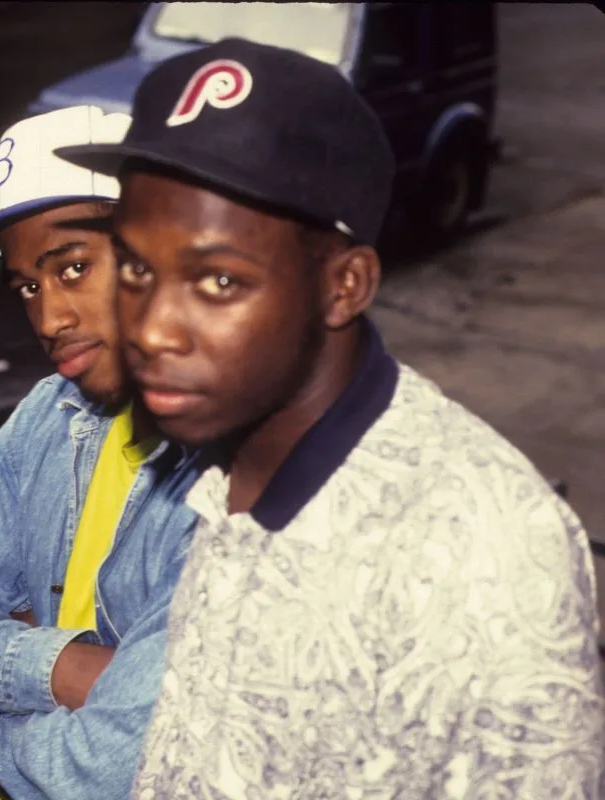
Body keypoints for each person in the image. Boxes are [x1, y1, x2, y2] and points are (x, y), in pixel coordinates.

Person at [55, 38, 605, 797]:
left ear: (344, 286)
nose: (151, 328)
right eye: (138, 268)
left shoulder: (481, 550)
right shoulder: (225, 449)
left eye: (217, 280)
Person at [0, 105, 204, 799]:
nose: (48, 319)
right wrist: (62, 667)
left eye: (73, 268)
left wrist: (3, 706)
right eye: (27, 286)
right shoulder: (52, 416)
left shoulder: (237, 469)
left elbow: (123, 763)